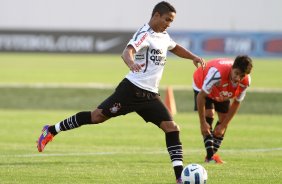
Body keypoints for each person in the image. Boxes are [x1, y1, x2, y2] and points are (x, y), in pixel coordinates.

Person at [37, 1, 205, 183]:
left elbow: (175, 47)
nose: (169, 24)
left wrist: (193, 57)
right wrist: (131, 63)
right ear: (156, 15)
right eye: (167, 19)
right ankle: (52, 130)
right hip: (131, 91)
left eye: (171, 21)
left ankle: (180, 177)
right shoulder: (144, 34)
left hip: (150, 95)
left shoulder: (163, 35)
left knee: (172, 128)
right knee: (96, 117)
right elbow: (127, 51)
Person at [193, 55, 253, 163]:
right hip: (202, 82)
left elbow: (236, 103)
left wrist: (223, 125)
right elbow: (201, 96)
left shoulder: (246, 82)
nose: (238, 78)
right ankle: (210, 157)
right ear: (232, 68)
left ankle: (210, 157)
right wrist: (202, 123)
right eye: (236, 73)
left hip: (222, 88)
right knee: (209, 114)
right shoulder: (217, 73)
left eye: (242, 75)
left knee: (224, 119)